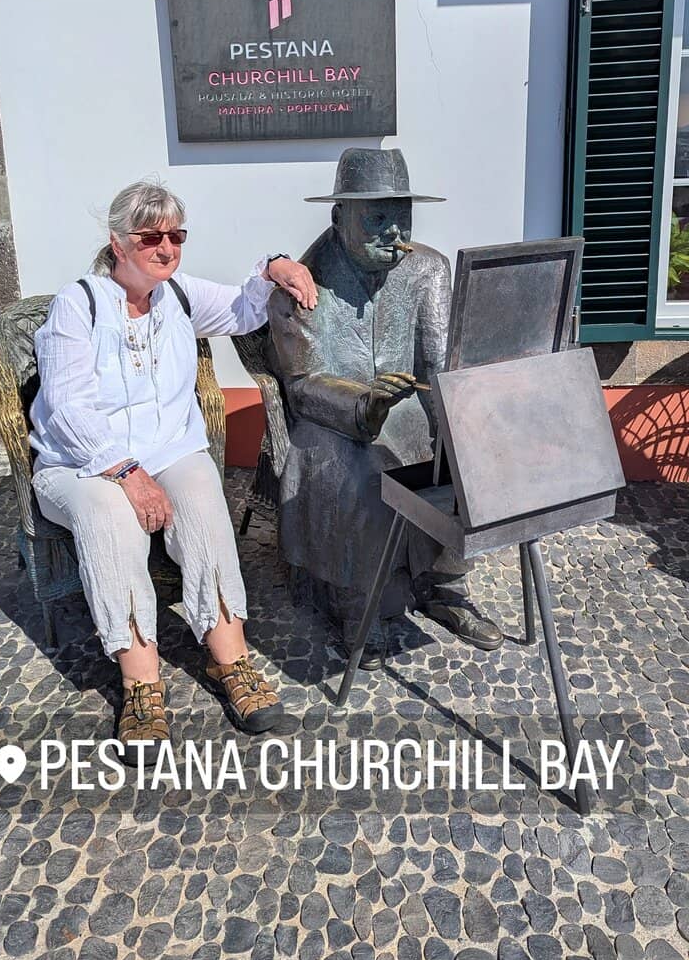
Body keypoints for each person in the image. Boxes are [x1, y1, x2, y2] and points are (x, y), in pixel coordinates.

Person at [29, 180, 317, 759]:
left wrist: (277, 265)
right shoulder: (78, 303)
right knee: (110, 514)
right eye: (150, 236)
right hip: (78, 462)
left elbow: (242, 307)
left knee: (205, 495)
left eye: (176, 235)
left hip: (167, 450)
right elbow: (66, 407)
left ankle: (228, 660)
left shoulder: (178, 295)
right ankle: (142, 684)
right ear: (117, 242)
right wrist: (127, 473)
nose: (166, 247)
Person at [268, 147, 504, 667]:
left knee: (459, 457)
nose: (393, 232)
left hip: (412, 413)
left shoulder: (428, 270)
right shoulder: (303, 283)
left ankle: (442, 584)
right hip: (334, 419)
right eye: (376, 217)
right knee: (358, 466)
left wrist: (463, 423)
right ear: (339, 217)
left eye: (401, 217)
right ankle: (357, 602)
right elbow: (303, 384)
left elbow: (442, 362)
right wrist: (362, 407)